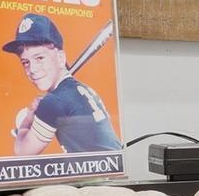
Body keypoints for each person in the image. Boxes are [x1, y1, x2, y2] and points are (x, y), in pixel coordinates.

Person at [6, 14, 118, 156]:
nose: (32, 69)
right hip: (113, 165)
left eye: (40, 58)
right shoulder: (81, 89)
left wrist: (27, 120)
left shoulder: (54, 101)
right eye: (25, 62)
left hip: (102, 169)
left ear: (60, 58)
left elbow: (23, 152)